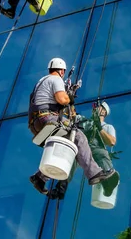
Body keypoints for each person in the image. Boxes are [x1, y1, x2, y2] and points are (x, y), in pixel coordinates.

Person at [28, 57, 117, 195]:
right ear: (62, 71)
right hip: (47, 117)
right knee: (79, 137)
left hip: (36, 123)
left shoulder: (41, 82)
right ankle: (94, 173)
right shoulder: (56, 79)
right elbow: (62, 99)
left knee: (65, 144)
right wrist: (69, 97)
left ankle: (40, 177)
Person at [49, 101, 120, 200]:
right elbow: (71, 118)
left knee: (101, 154)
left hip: (96, 149)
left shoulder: (107, 127)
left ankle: (109, 179)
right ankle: (61, 186)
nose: (94, 109)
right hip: (84, 148)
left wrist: (99, 127)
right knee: (72, 156)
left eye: (98, 107)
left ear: (103, 112)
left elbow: (111, 141)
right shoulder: (84, 121)